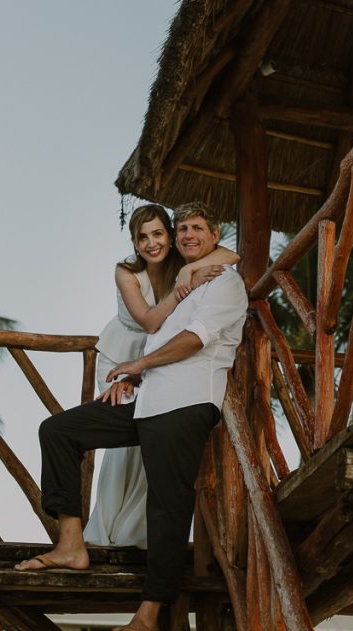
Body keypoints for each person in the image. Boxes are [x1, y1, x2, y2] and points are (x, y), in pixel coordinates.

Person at [14, 202, 248, 631]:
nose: (186, 235)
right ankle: (71, 545)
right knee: (60, 430)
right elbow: (157, 329)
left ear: (215, 235)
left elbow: (194, 340)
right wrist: (134, 376)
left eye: (196, 228)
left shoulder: (226, 283)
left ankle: (149, 617)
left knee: (166, 506)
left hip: (185, 401)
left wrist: (139, 362)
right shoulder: (186, 283)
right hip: (147, 401)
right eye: (181, 229)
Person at [83, 203, 238, 549]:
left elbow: (232, 256)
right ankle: (106, 527)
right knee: (124, 441)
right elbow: (150, 322)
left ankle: (137, 533)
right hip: (121, 355)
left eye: (158, 234)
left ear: (169, 237)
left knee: (153, 441)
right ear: (135, 244)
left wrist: (190, 269)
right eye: (143, 237)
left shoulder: (180, 264)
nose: (151, 244)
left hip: (157, 358)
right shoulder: (125, 272)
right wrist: (183, 283)